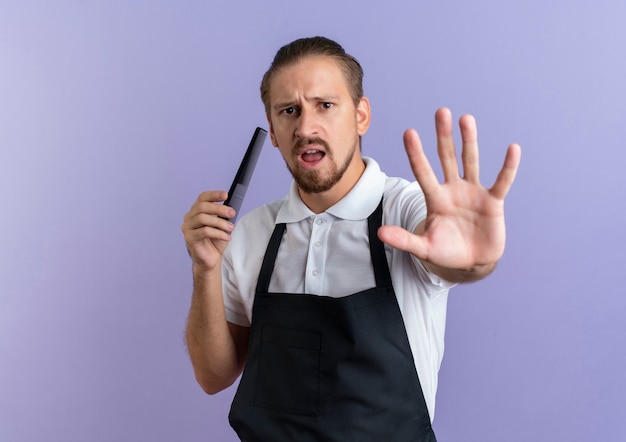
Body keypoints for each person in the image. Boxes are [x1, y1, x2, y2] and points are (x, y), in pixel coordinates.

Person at [182, 36, 521, 441]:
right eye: (289, 111)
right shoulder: (251, 233)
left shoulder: (407, 209)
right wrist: (206, 268)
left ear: (361, 115)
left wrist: (473, 259)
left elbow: (452, 256)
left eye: (325, 105)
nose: (306, 127)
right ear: (272, 131)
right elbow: (213, 376)